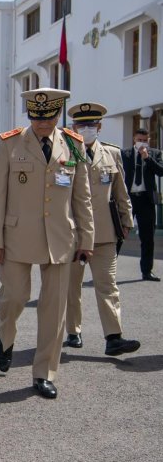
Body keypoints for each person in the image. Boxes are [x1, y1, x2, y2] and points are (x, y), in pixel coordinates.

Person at [0, 88, 94, 399]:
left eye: (48, 118)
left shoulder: (73, 145)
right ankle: (6, 337)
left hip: (61, 238)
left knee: (54, 309)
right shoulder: (9, 143)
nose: (42, 123)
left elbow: (82, 196)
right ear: (30, 115)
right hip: (17, 236)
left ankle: (44, 372)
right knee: (15, 297)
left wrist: (86, 238)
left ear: (58, 115)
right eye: (36, 117)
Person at [65, 103, 140, 355]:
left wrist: (126, 219)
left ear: (99, 126)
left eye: (91, 125)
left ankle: (113, 337)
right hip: (72, 233)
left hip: (104, 232)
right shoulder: (63, 153)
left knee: (108, 285)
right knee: (71, 286)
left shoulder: (112, 154)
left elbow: (121, 191)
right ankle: (73, 331)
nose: (86, 129)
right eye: (81, 125)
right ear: (73, 127)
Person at [121, 128, 163, 281]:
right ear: (134, 139)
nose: (142, 143)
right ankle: (108, 270)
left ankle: (147, 271)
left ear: (149, 140)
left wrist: (147, 158)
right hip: (127, 199)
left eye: (145, 140)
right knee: (119, 234)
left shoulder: (155, 153)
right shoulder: (124, 153)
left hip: (146, 199)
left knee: (148, 237)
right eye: (140, 139)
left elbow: (161, 171)